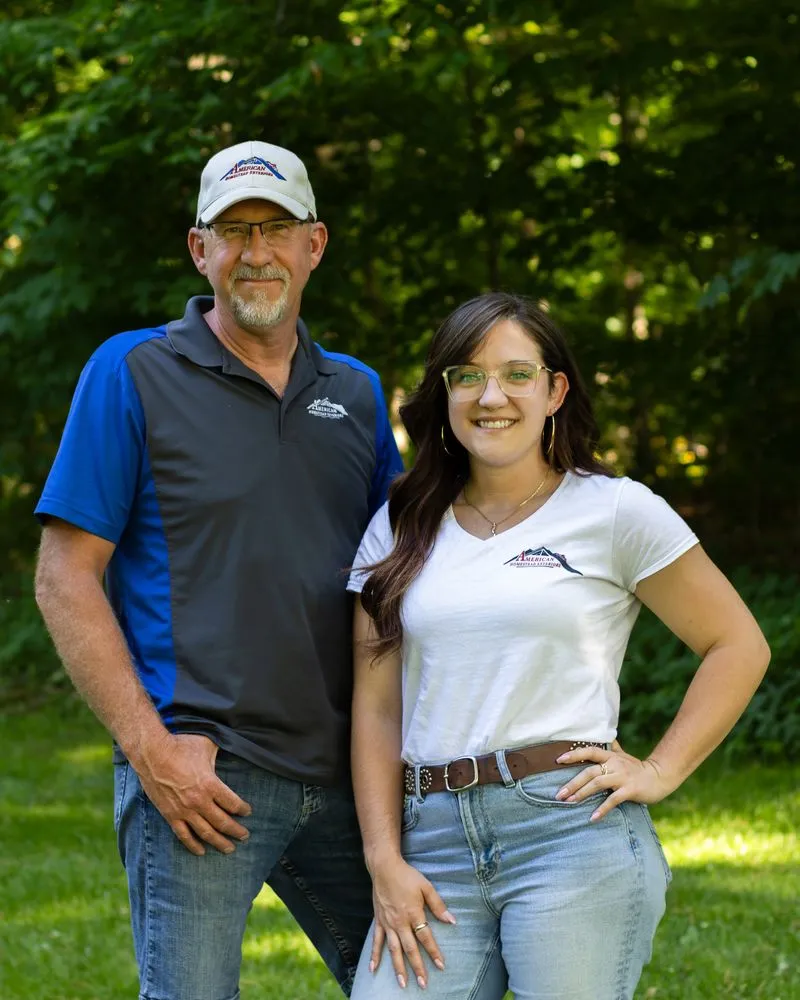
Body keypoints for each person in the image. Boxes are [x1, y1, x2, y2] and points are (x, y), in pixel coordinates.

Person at [33, 139, 403, 1000]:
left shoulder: (354, 393)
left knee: (424, 984)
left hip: (350, 773)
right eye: (233, 231)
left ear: (315, 245)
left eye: (276, 229)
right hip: (203, 777)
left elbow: (400, 568)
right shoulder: (131, 371)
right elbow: (64, 577)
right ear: (200, 250)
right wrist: (150, 750)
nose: (257, 252)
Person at [346, 292, 769, 1000]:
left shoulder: (614, 511)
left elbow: (737, 644)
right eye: (467, 375)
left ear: (554, 390)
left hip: (569, 835)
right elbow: (376, 706)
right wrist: (382, 857)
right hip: (433, 846)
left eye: (516, 374)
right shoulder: (399, 523)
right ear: (444, 392)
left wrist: (660, 769)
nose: (492, 397)